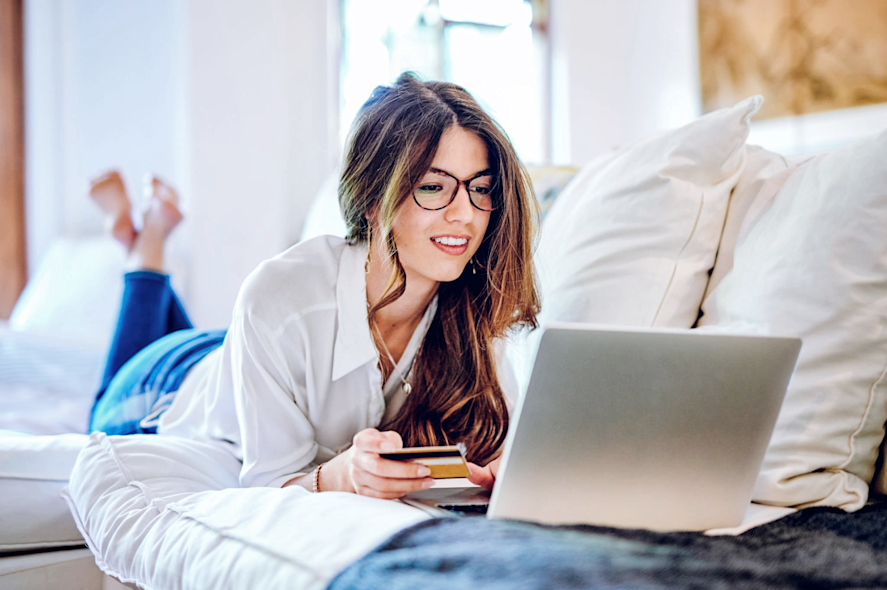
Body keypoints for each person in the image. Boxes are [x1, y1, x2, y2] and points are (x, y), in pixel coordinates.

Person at [88, 72, 540, 500]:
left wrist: (504, 469)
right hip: (165, 385)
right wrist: (340, 475)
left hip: (247, 351)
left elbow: (498, 444)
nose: (464, 213)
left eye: (481, 189)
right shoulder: (279, 294)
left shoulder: (476, 306)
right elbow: (267, 487)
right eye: (434, 187)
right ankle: (146, 246)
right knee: (98, 409)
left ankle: (141, 237)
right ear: (371, 200)